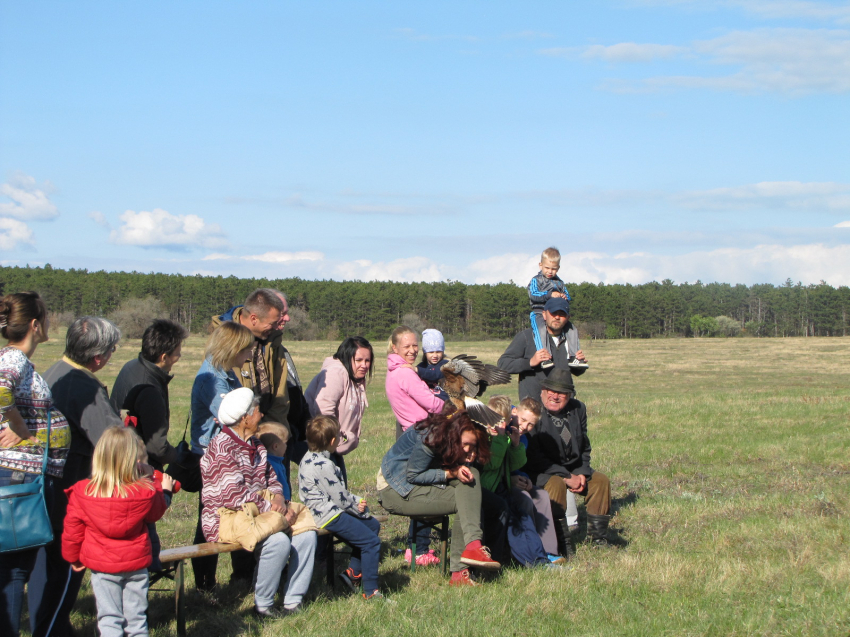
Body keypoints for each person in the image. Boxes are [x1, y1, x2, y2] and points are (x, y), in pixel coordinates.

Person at [35, 316, 124, 637]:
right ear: (98, 357)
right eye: (112, 351)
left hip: (44, 494)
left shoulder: (52, 373)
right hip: (69, 500)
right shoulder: (84, 385)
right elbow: (115, 443)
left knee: (45, 577)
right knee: (60, 583)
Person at [200, 388, 316, 618]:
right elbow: (233, 496)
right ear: (245, 418)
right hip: (226, 517)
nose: (261, 415)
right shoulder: (221, 447)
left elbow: (272, 480)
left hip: (261, 512)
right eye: (257, 411)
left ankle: (293, 600)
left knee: (307, 533)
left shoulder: (256, 445)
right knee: (277, 542)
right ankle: (263, 605)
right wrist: (273, 509)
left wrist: (279, 498)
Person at [0, 292, 71, 637]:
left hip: (25, 477)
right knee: (13, 568)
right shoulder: (12, 359)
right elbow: (0, 390)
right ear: (34, 324)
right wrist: (17, 425)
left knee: (16, 566)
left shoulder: (15, 359)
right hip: (20, 480)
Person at [62, 426, 169, 637]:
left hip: (103, 566)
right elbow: (157, 511)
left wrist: (73, 557)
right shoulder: (144, 491)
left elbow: (72, 530)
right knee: (137, 620)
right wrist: (154, 481)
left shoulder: (83, 492)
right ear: (133, 459)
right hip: (136, 563)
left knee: (109, 619)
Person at [377, 409, 502, 586]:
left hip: (420, 484)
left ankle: (475, 552)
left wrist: (466, 462)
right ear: (455, 433)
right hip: (396, 488)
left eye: (474, 446)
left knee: (473, 480)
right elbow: (413, 476)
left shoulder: (454, 438)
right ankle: (462, 567)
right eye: (466, 444)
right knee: (465, 501)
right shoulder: (432, 437)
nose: (468, 450)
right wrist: (452, 472)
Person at [189, 321, 254, 591]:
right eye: (247, 349)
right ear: (233, 348)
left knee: (240, 510)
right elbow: (234, 416)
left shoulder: (226, 373)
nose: (250, 355)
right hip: (213, 457)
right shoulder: (213, 379)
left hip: (229, 453)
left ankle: (241, 576)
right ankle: (205, 582)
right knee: (212, 518)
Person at [298, 415, 386, 601]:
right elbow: (340, 498)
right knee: (371, 542)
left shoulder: (308, 457)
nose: (340, 439)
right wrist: (358, 506)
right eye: (339, 437)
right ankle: (371, 591)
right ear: (332, 441)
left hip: (325, 509)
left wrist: (354, 504)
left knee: (372, 526)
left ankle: (352, 574)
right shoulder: (324, 465)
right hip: (327, 514)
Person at [523, 369, 613, 550]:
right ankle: (560, 542)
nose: (555, 396)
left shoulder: (578, 409)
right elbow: (534, 457)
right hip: (541, 471)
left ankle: (598, 539)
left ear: (570, 395)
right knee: (556, 484)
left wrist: (581, 472)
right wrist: (565, 476)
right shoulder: (534, 411)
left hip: (572, 468)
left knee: (600, 481)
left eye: (561, 393)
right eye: (551, 391)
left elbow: (584, 446)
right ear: (543, 391)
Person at [384, 325, 445, 564]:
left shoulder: (394, 371)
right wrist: (452, 404)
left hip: (412, 435)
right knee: (424, 492)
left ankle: (416, 547)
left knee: (419, 489)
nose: (412, 351)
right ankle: (420, 550)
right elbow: (431, 403)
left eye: (414, 346)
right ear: (394, 347)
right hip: (422, 436)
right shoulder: (406, 374)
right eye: (406, 346)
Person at [487, 395, 563, 563]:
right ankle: (526, 550)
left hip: (513, 479)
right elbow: (496, 464)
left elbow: (517, 465)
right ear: (514, 412)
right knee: (525, 499)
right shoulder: (500, 426)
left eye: (531, 424)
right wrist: (513, 479)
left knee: (542, 496)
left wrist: (524, 478)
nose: (524, 426)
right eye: (522, 420)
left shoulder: (522, 438)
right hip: (500, 483)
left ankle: (549, 551)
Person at [111, 319, 189, 471]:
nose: (179, 356)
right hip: (138, 467)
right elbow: (157, 447)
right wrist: (177, 455)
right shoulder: (149, 389)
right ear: (164, 357)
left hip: (120, 457)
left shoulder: (132, 365)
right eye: (177, 354)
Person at [303, 336, 373, 485]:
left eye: (367, 361)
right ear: (347, 358)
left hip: (332, 445)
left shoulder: (355, 377)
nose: (364, 365)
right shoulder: (337, 373)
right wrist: (338, 437)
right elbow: (323, 408)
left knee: (340, 489)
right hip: (321, 444)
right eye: (359, 360)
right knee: (333, 493)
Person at [498, 296, 588, 402]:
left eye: (562, 314)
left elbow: (572, 372)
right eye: (553, 313)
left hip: (563, 405)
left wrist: (579, 366)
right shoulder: (527, 337)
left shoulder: (570, 339)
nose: (557, 317)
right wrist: (530, 362)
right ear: (544, 315)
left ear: (568, 317)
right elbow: (503, 364)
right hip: (534, 407)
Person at [528, 247, 571, 362]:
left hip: (554, 313)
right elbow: (533, 295)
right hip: (539, 312)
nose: (550, 271)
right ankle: (544, 357)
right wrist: (549, 294)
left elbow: (568, 295)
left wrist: (564, 297)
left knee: (572, 329)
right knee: (540, 330)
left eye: (554, 269)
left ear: (558, 268)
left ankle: (573, 356)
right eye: (547, 268)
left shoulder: (560, 283)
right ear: (540, 265)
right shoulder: (536, 280)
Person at [257, 422, 291, 500]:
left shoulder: (276, 462)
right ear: (275, 446)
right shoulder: (271, 465)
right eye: (285, 443)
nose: (286, 446)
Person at [416, 328, 448, 401]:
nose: (435, 355)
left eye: (438, 352)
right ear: (425, 352)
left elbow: (435, 374)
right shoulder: (422, 366)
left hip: (445, 404)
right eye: (431, 352)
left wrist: (417, 370)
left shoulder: (445, 364)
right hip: (428, 402)